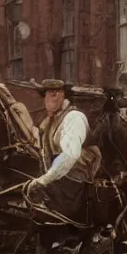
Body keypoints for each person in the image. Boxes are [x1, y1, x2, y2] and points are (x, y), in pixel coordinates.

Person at [26, 79, 100, 221]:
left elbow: (69, 156)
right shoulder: (48, 121)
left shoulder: (74, 117)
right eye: (48, 94)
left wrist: (43, 180)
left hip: (77, 180)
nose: (51, 98)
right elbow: (43, 146)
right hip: (58, 177)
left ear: (63, 95)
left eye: (56, 93)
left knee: (45, 216)